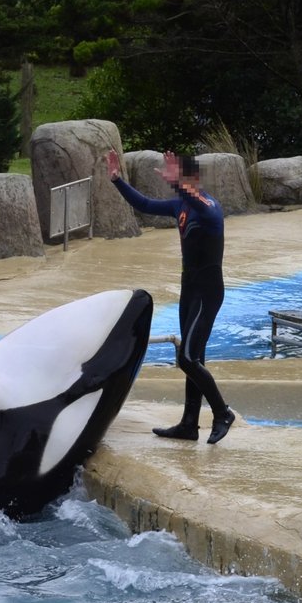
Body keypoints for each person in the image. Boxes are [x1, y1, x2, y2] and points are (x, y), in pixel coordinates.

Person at [106, 149, 236, 444]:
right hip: (189, 289)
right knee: (195, 357)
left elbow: (195, 199)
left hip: (207, 291)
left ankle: (221, 413)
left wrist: (178, 183)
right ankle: (189, 425)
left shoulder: (209, 207)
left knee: (188, 359)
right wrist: (117, 180)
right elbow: (145, 204)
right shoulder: (180, 205)